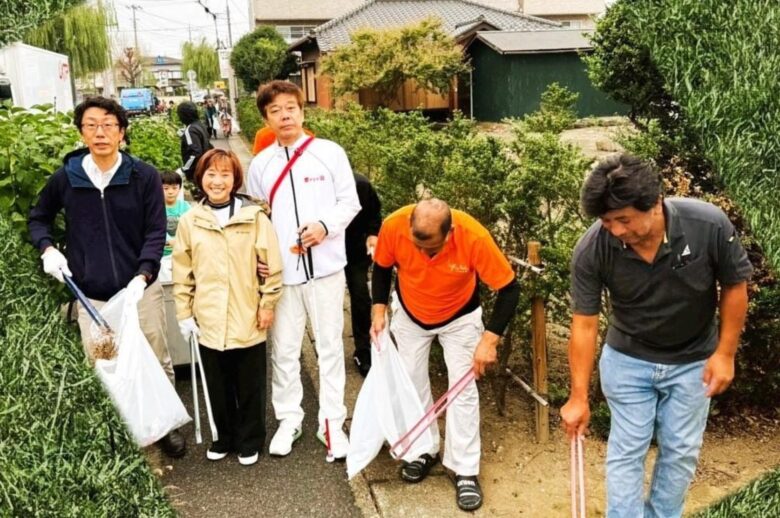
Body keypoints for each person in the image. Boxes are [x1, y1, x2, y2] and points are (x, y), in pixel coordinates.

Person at [560, 154, 752, 518]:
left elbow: (735, 285)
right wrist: (578, 397)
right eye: (606, 221)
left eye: (624, 219)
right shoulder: (593, 248)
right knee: (627, 450)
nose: (616, 230)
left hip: (694, 362)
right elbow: (584, 324)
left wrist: (725, 354)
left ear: (655, 203)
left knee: (680, 451)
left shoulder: (707, 225)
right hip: (627, 360)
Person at [27, 96, 186, 458]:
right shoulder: (67, 178)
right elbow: (39, 218)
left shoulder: (143, 175)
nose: (100, 133)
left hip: (139, 289)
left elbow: (155, 230)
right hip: (92, 295)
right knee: (105, 362)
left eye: (108, 125)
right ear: (81, 132)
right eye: (91, 125)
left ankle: (164, 425)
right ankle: (121, 430)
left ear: (121, 132)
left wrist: (144, 274)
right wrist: (48, 249)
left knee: (155, 355)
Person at [369, 198, 520, 511]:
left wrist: (489, 340)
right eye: (418, 247)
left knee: (462, 391)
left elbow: (509, 289)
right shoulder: (394, 226)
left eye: (432, 249)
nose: (424, 255)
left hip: (460, 316)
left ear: (449, 234)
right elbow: (382, 267)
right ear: (409, 227)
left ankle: (464, 468)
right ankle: (422, 450)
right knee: (411, 383)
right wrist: (379, 310)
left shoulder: (473, 236)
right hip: (411, 312)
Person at [246, 80, 361, 460]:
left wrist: (325, 226)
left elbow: (350, 202)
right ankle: (288, 419)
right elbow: (256, 216)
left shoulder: (329, 153)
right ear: (266, 118)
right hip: (282, 275)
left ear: (302, 110)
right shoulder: (260, 165)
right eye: (275, 110)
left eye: (290, 108)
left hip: (326, 269)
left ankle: (332, 423)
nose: (285, 116)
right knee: (284, 349)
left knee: (330, 348)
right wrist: (260, 260)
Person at [173, 148, 283, 466]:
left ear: (235, 180)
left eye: (225, 174)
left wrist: (268, 303)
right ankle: (223, 437)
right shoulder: (190, 221)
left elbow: (272, 265)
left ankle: (250, 439)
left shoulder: (254, 218)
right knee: (216, 383)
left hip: (247, 312)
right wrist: (184, 313)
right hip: (207, 316)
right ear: (201, 178)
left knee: (249, 383)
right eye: (211, 174)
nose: (217, 181)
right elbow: (183, 271)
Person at [345, 173, 382, 377]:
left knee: (360, 296)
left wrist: (373, 234)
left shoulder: (361, 184)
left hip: (357, 251)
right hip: (325, 252)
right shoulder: (319, 184)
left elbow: (375, 215)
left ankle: (363, 351)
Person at [159, 171, 190, 282]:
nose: (170, 192)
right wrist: (168, 241)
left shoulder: (186, 207)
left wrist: (178, 241)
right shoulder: (155, 208)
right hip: (161, 255)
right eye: (166, 188)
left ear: (179, 188)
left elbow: (190, 229)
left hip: (181, 253)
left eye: (174, 188)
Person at [177, 101, 213, 182]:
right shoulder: (199, 125)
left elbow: (195, 153)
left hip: (196, 172)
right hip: (205, 166)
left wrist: (184, 169)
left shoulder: (190, 130)